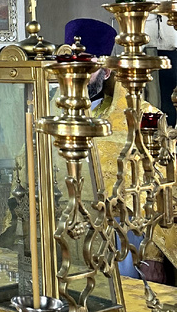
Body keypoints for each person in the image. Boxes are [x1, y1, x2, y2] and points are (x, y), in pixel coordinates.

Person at [64, 17, 168, 281]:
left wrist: (153, 255)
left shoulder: (145, 117)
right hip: (65, 241)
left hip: (123, 243)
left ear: (107, 71)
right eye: (70, 67)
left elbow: (164, 189)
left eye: (87, 68)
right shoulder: (50, 117)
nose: (76, 77)